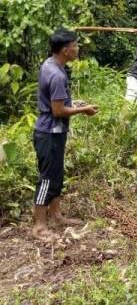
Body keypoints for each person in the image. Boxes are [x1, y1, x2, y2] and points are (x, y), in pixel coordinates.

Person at [32, 29, 99, 241]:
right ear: (65, 50)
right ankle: (39, 226)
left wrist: (73, 104)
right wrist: (83, 110)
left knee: (57, 174)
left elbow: (58, 103)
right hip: (49, 132)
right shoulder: (58, 75)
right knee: (47, 178)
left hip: (54, 131)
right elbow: (58, 111)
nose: (77, 48)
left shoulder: (50, 64)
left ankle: (57, 215)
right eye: (75, 45)